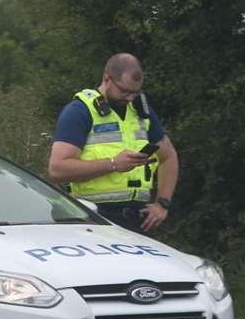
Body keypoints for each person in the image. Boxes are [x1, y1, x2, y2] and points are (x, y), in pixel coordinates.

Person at [49, 53, 179, 233]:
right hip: (90, 217)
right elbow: (57, 169)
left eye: (135, 92)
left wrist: (162, 203)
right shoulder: (80, 111)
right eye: (124, 91)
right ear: (107, 79)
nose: (130, 98)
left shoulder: (140, 111)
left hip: (136, 219)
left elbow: (168, 156)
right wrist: (113, 164)